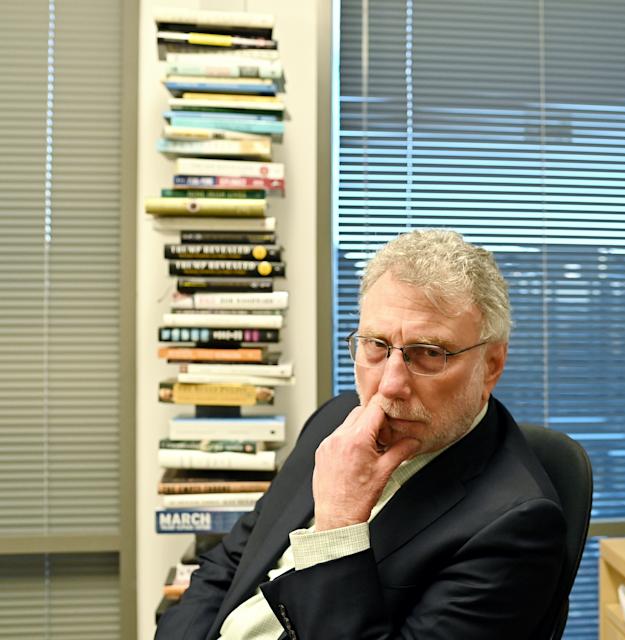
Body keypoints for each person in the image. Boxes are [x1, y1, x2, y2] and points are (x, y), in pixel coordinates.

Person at [155, 229, 567, 640]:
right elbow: (227, 566)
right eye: (376, 345)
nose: (390, 385)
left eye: (428, 353)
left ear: (492, 365)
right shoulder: (335, 419)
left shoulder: (518, 525)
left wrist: (337, 526)